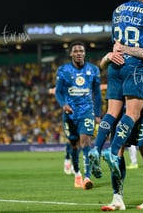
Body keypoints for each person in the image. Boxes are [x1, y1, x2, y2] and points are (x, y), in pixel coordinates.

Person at [90, 0, 143, 181]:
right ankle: (112, 152)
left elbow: (116, 41)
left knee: (112, 112)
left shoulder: (117, 10)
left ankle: (95, 149)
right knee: (132, 112)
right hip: (135, 66)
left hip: (115, 65)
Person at [100, 12, 143, 211]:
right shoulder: (134, 44)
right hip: (124, 101)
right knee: (118, 150)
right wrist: (109, 56)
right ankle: (117, 198)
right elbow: (105, 65)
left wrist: (123, 49)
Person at [54, 41, 102, 190]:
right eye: (75, 51)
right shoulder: (63, 70)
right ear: (71, 54)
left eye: (81, 50)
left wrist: (98, 114)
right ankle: (77, 174)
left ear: (85, 53)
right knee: (74, 145)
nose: (79, 53)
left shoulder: (93, 70)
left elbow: (98, 93)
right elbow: (58, 92)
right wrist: (63, 104)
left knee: (85, 142)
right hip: (69, 113)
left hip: (87, 111)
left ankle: (87, 177)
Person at [49, 87, 75, 175]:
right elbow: (56, 90)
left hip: (80, 115)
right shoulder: (66, 83)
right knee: (71, 139)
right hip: (68, 116)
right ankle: (67, 160)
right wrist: (53, 90)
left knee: (78, 140)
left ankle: (74, 162)